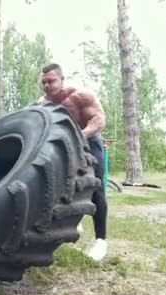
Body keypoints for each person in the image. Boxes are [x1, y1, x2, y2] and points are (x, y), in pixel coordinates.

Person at [37, 63, 108, 261]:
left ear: (62, 79)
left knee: (96, 190)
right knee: (60, 187)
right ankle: (71, 224)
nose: (47, 86)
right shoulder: (43, 104)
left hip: (89, 142)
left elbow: (99, 120)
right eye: (44, 82)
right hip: (63, 147)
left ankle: (101, 241)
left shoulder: (80, 96)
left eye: (51, 81)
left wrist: (80, 135)